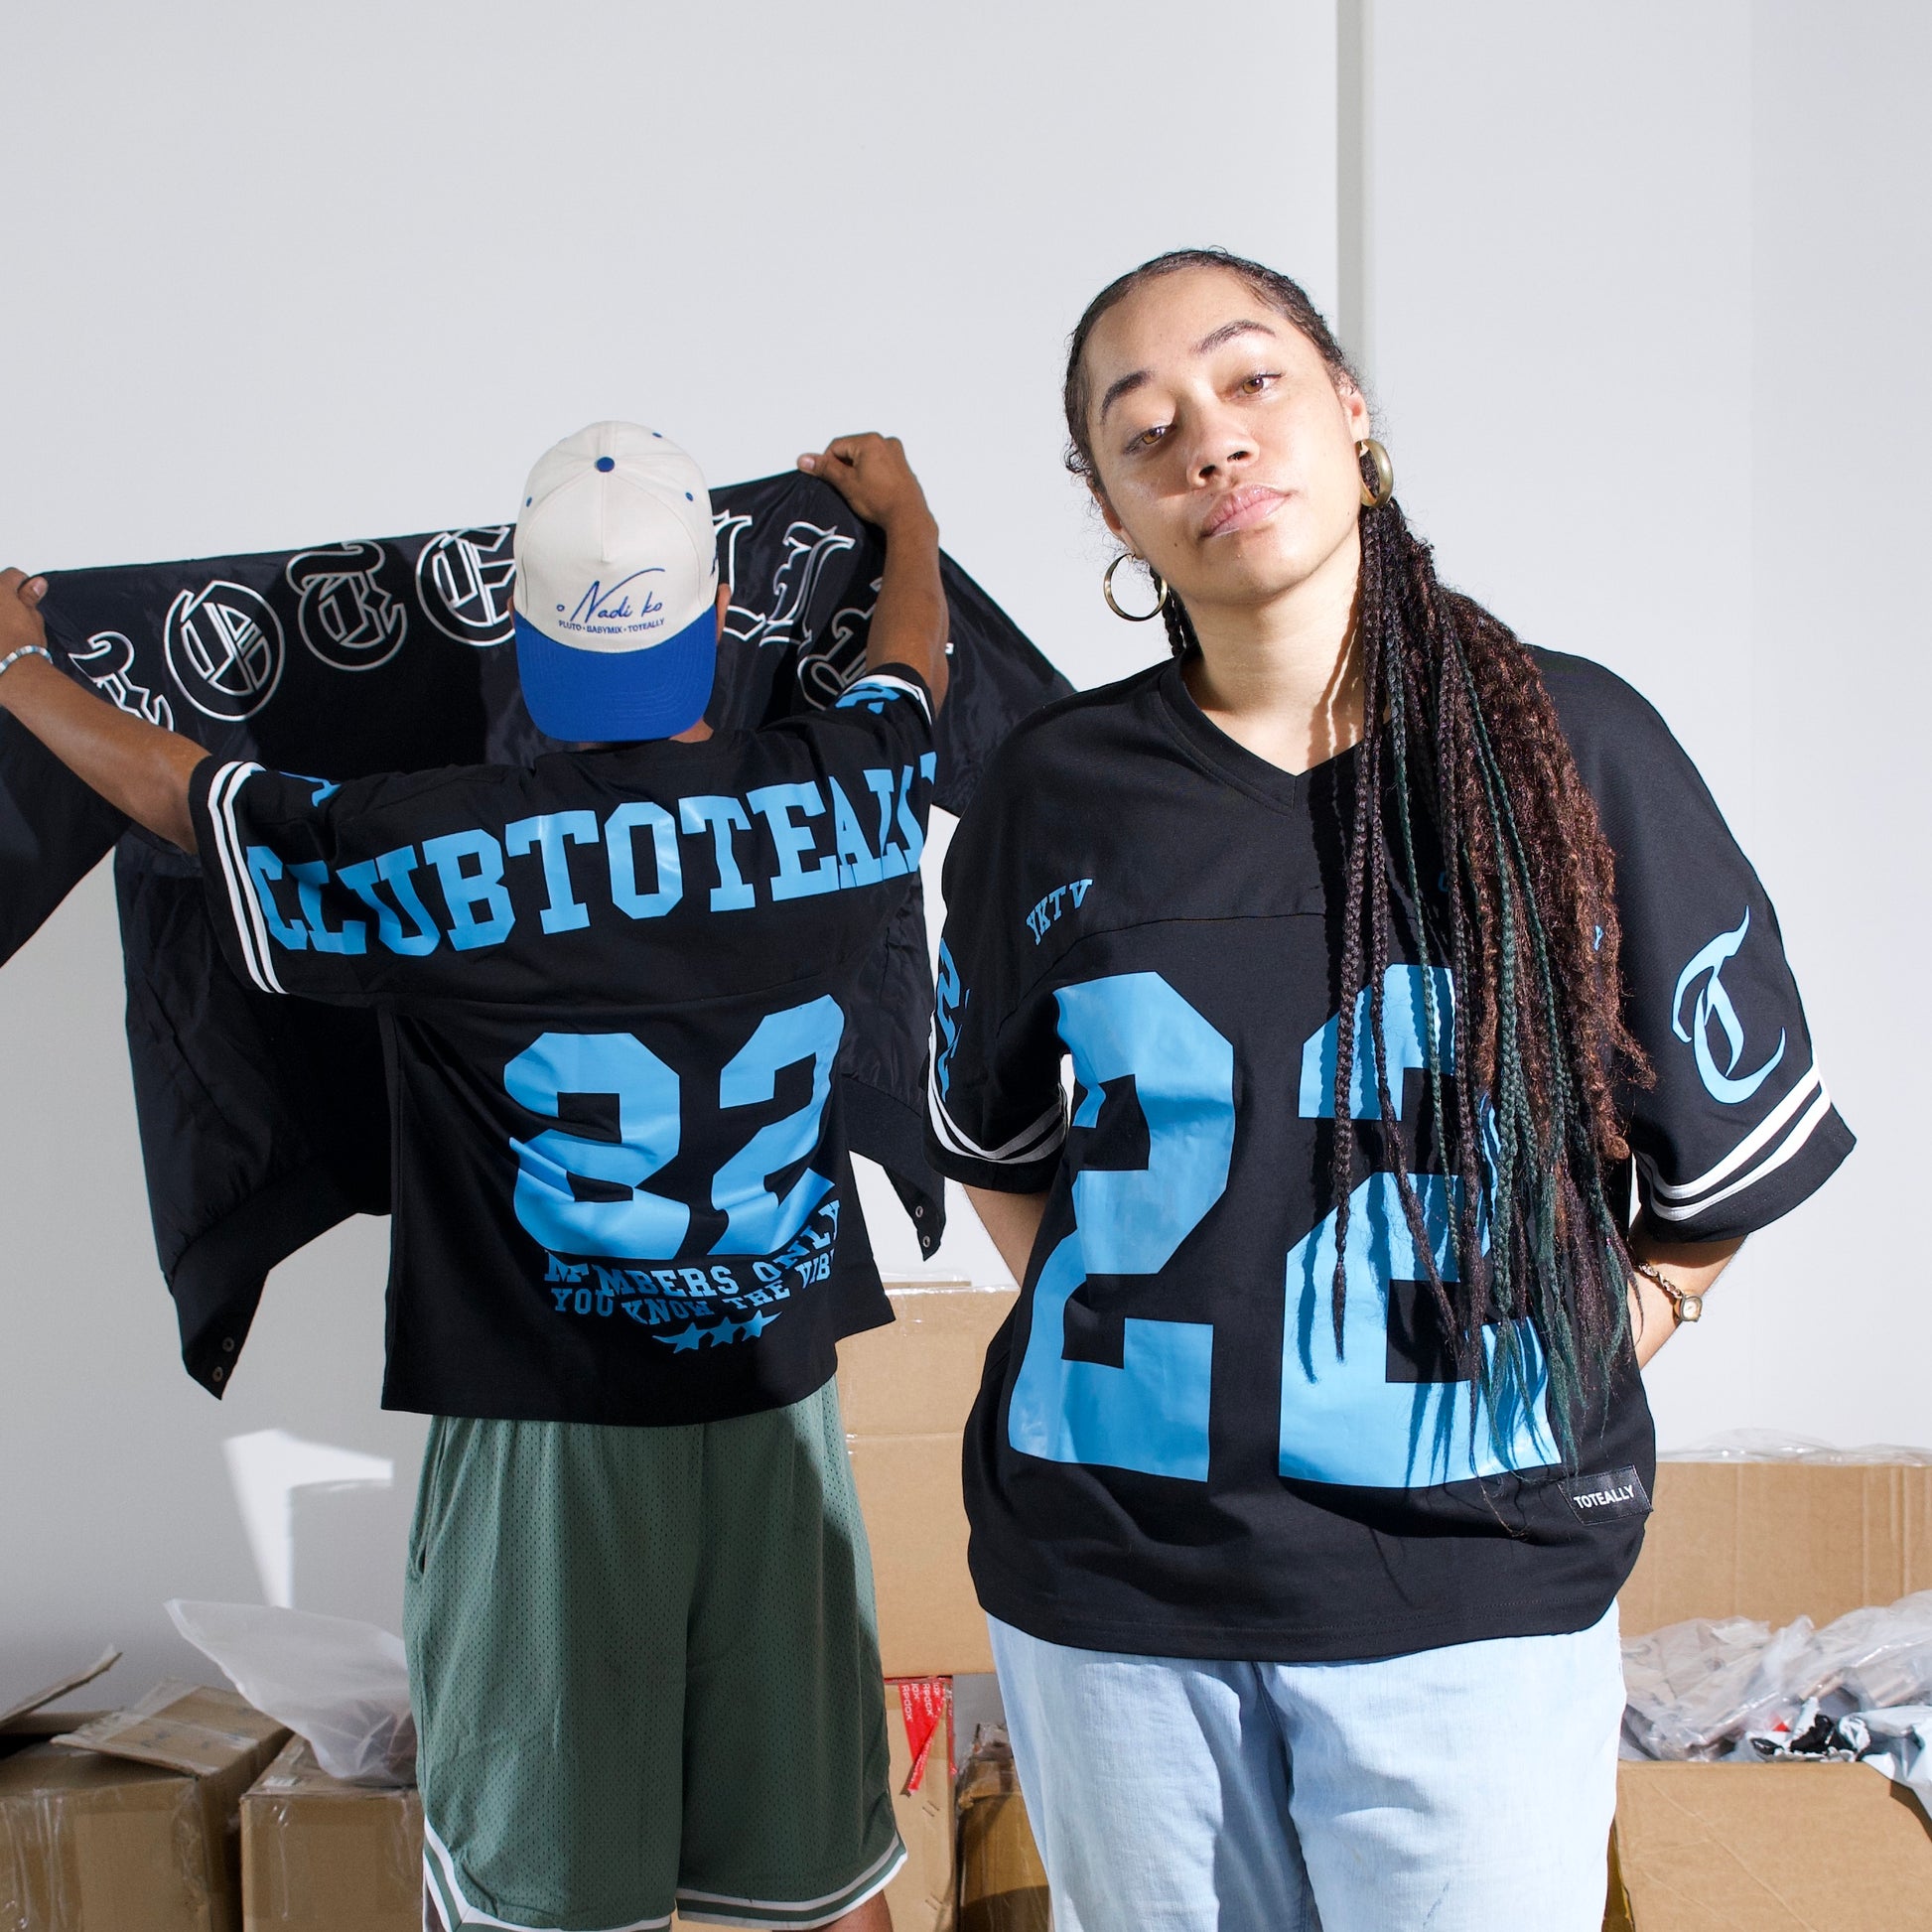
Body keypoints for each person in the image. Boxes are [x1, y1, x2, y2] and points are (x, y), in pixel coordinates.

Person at [922, 249, 1853, 1932]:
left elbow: (1715, 1178)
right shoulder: (1051, 790)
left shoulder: (1573, 749)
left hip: (1465, 1588)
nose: (1210, 439)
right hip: (1112, 1588)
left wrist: (1568, 1347)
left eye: (1250, 378)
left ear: (1349, 412)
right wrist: (1175, 1350)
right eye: (1147, 428)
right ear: (1113, 510)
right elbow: (992, 1133)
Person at [0, 423, 949, 1932]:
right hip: (776, 1404)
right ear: (716, 630)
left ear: (523, 644)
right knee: (826, 1887)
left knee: (543, 1897)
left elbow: (197, 795)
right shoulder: (848, 788)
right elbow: (912, 666)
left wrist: (19, 670)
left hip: (549, 1425)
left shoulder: (443, 849)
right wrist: (906, 520)